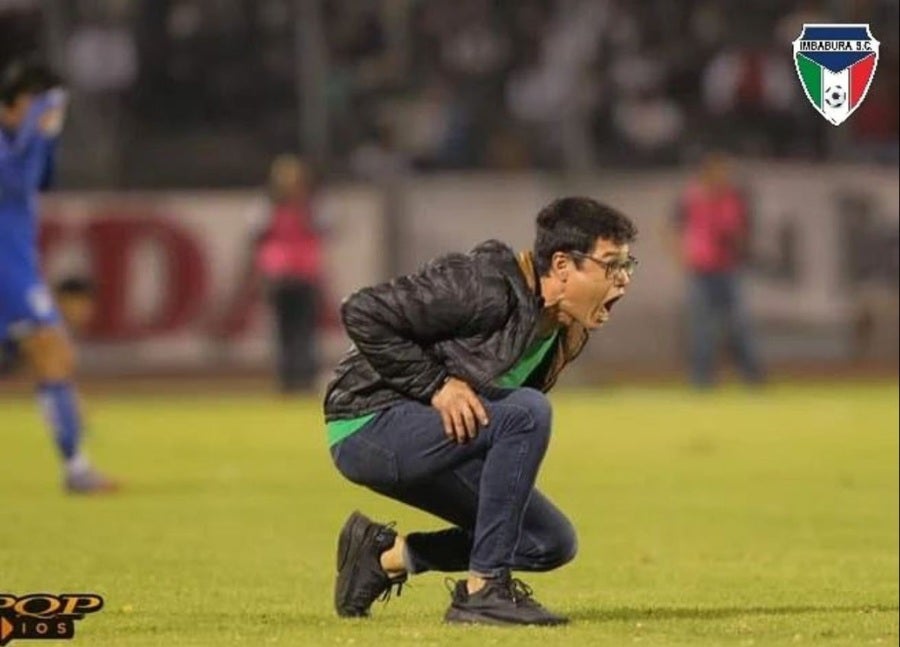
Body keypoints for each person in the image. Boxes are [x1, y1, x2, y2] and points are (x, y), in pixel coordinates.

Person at [323, 198, 638, 625]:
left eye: (626, 265)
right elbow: (361, 310)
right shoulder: (484, 285)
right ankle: (484, 589)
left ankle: (384, 556)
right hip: (367, 425)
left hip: (435, 435)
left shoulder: (567, 329)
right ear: (563, 265)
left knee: (548, 541)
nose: (622, 280)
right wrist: (436, 386)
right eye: (610, 265)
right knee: (527, 411)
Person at [0, 58, 117, 494]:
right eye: (34, 102)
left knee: (55, 353)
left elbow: (39, 179)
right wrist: (36, 127)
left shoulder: (20, 142)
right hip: (6, 268)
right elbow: (10, 181)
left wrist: (45, 137)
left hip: (16, 261)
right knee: (52, 350)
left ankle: (76, 466)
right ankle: (76, 468)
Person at [671, 151, 765, 387]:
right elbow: (672, 228)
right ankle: (702, 379)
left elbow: (745, 231)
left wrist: (740, 244)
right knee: (702, 329)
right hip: (702, 270)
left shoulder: (735, 198)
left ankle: (751, 376)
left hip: (728, 268)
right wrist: (682, 255)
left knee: (739, 326)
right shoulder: (691, 198)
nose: (724, 176)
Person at [253, 155, 324, 393]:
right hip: (282, 275)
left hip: (303, 274)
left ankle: (303, 377)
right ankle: (287, 378)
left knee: (304, 329)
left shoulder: (311, 208)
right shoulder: (268, 208)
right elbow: (256, 236)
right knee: (286, 330)